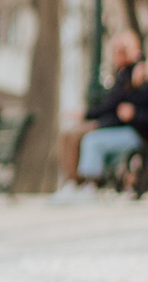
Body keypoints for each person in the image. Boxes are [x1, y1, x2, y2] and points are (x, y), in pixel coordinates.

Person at [75, 54, 148, 187]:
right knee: (96, 142)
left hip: (144, 135)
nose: (143, 66)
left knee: (92, 142)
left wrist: (134, 115)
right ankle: (98, 181)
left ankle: (91, 183)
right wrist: (134, 85)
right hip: (137, 131)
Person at [57, 28, 142, 185]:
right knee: (67, 135)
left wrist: (86, 114)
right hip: (110, 121)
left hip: (118, 124)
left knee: (77, 136)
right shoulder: (122, 74)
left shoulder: (135, 73)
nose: (116, 56)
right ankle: (69, 180)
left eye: (121, 51)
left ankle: (78, 181)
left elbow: (113, 105)